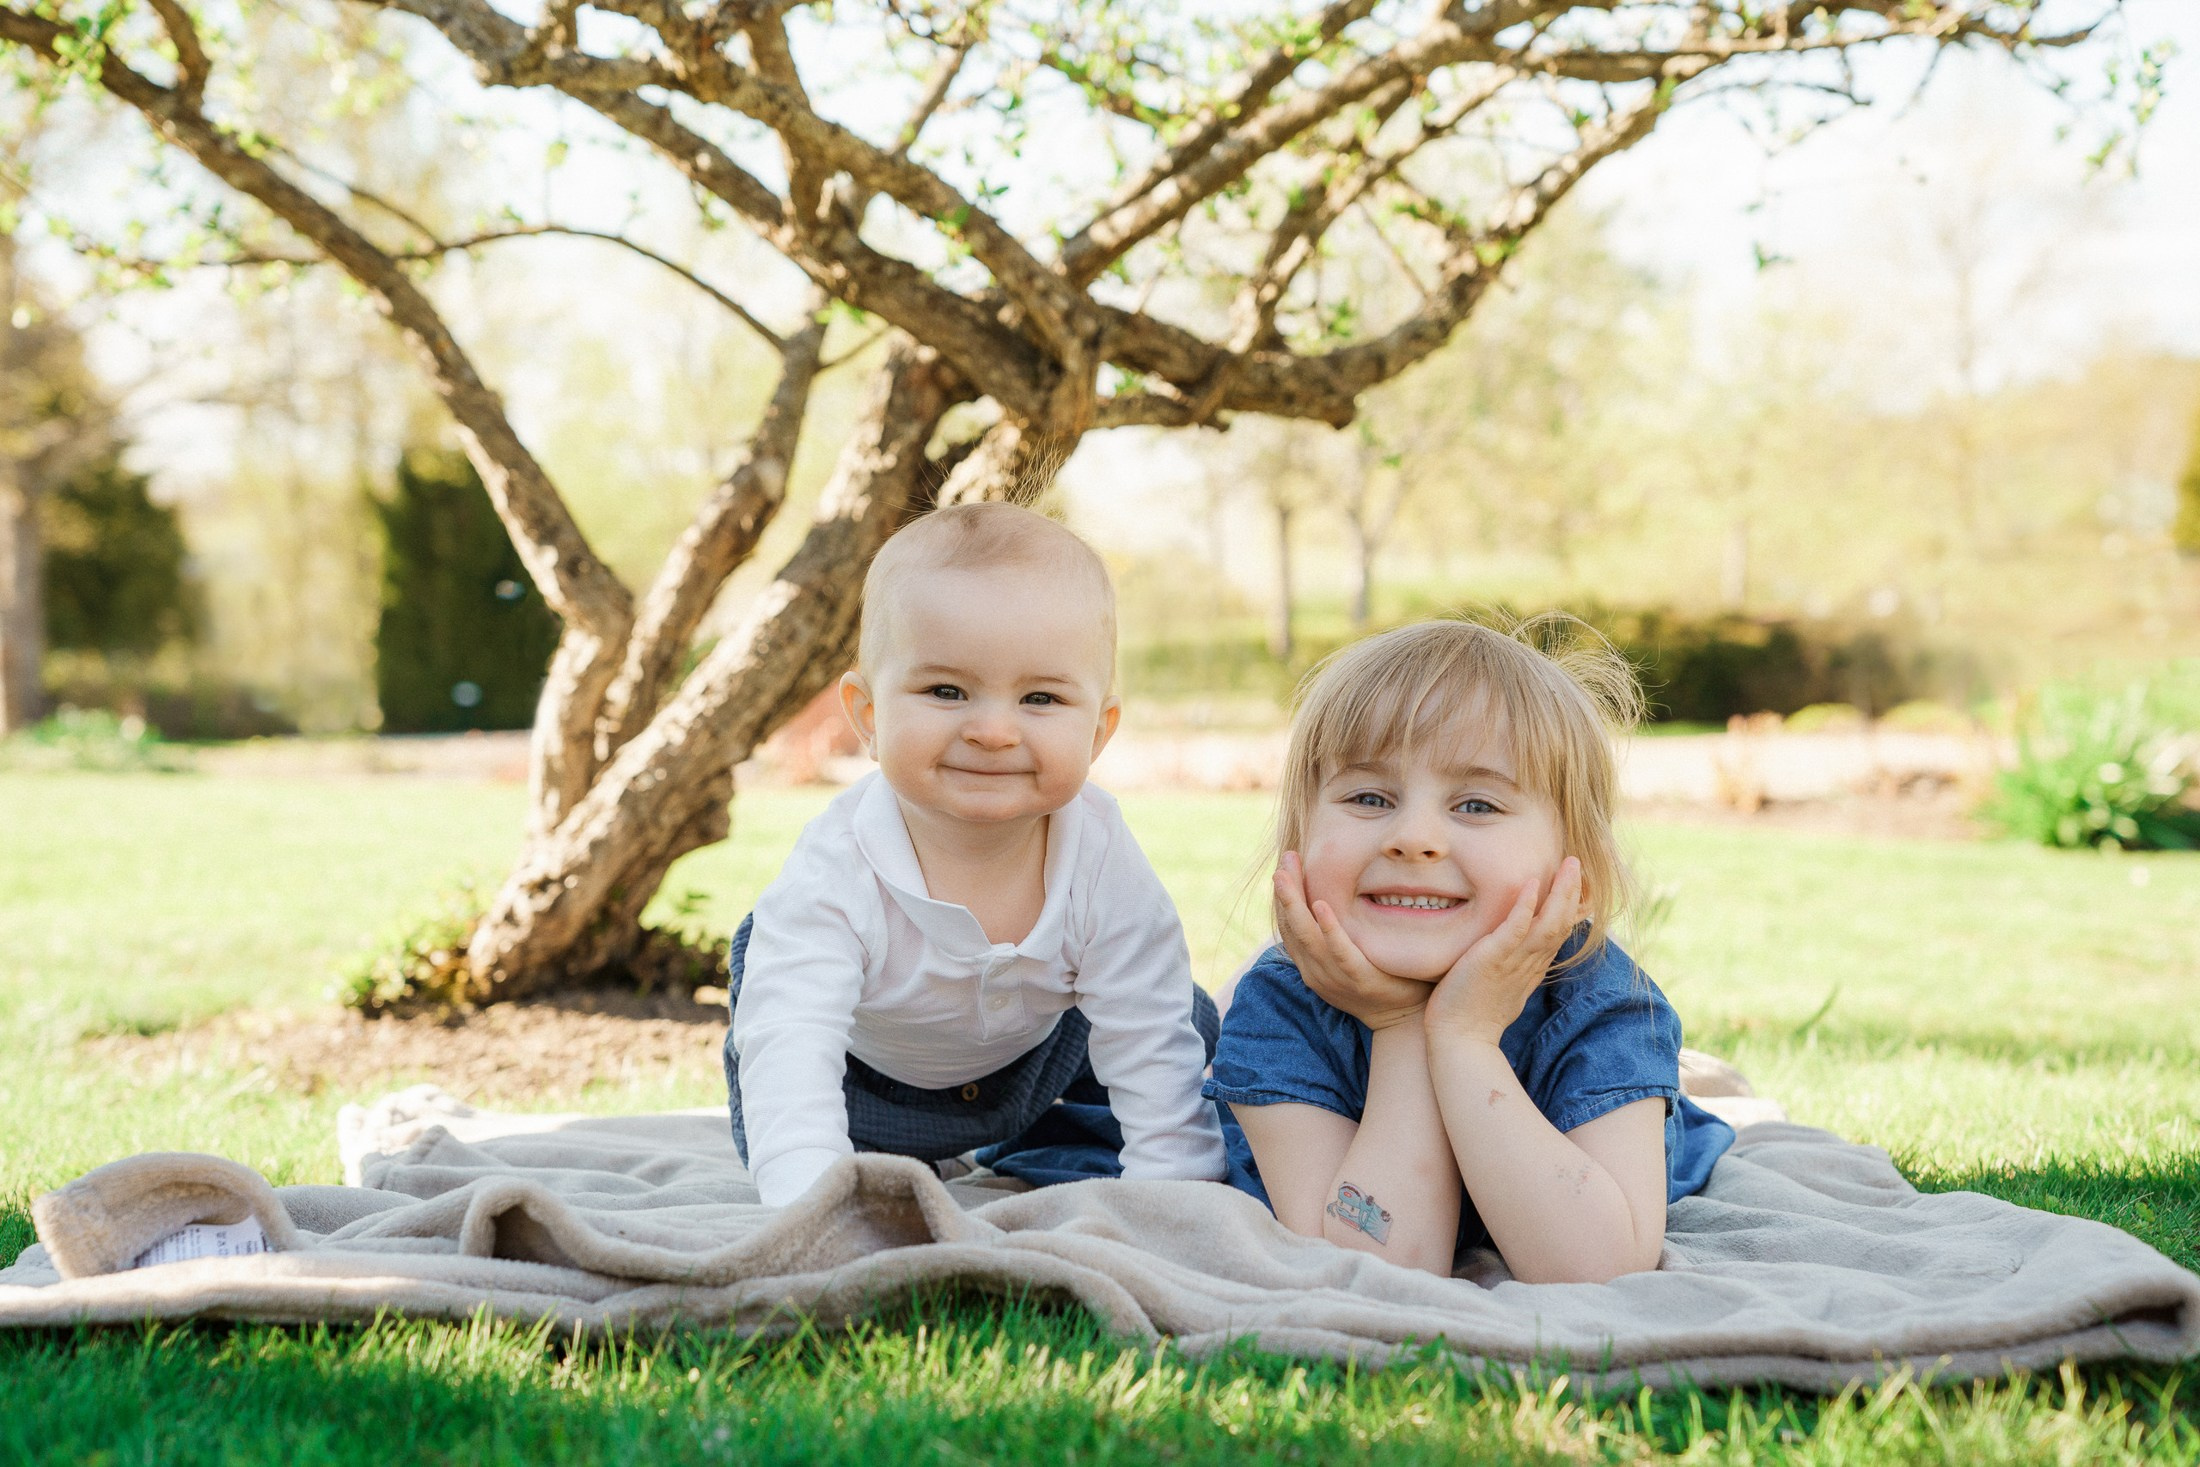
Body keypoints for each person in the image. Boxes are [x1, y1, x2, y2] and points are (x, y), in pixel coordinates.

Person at [726, 502, 1227, 1208]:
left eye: (1041, 697)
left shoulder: (1100, 852)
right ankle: (875, 1166)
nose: (993, 729)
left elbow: (1148, 1031)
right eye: (946, 690)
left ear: (1098, 730)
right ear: (868, 716)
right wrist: (813, 1203)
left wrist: (1174, 1197)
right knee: (801, 1109)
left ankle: (1035, 1148)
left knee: (1182, 1017)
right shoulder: (840, 868)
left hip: (1037, 1061)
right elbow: (793, 1044)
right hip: (863, 1081)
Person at [1205, 617, 1734, 1282]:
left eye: (1477, 805)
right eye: (1370, 796)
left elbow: (1597, 1267)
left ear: (1579, 879)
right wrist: (1401, 1029)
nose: (1414, 836)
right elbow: (1379, 1264)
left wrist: (1466, 1038)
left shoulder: (1602, 1000)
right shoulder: (1280, 1008)